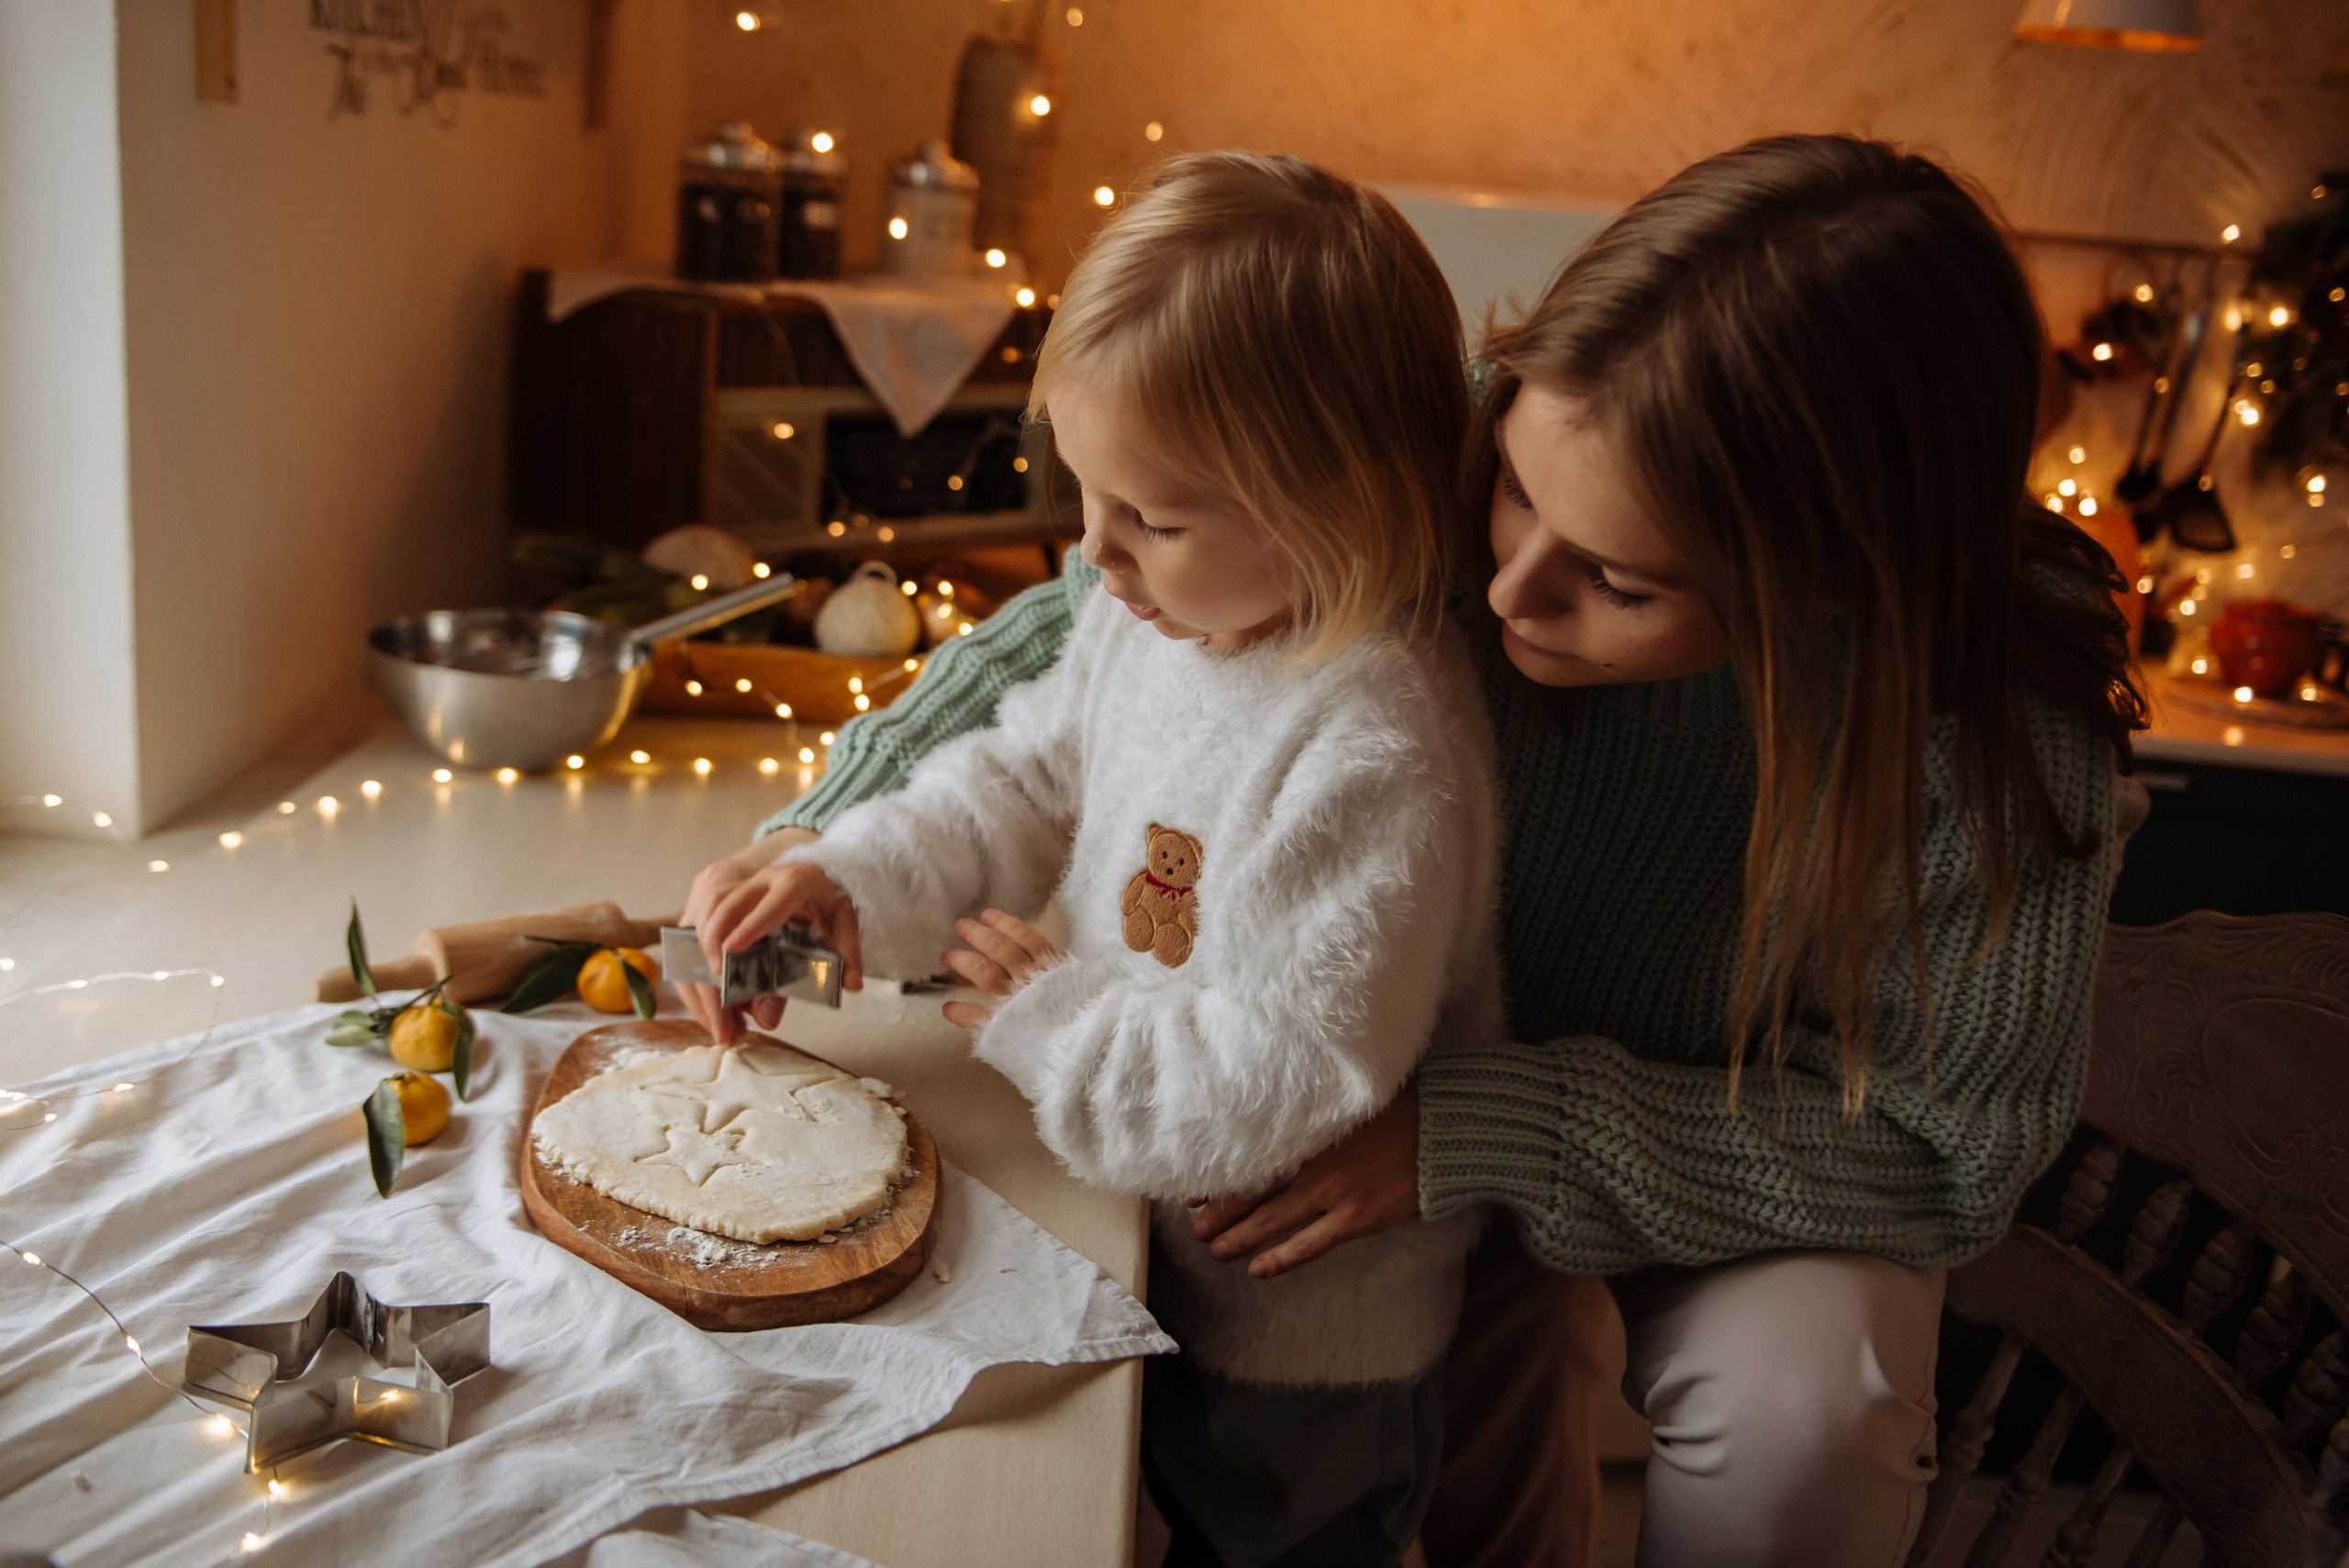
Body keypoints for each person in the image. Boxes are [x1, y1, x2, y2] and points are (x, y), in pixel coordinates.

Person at [685, 134, 2146, 1567]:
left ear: (1832, 586)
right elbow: (1096, 634)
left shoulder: (2001, 727)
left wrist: (1488, 1129)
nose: (1507, 591)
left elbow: (1946, 1148)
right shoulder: (1439, 437)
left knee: (1802, 1413)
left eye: (1615, 577)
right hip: (1385, 1072)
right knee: (1467, 1438)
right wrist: (829, 836)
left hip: (1696, 1128)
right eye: (1511, 487)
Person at [688, 151, 1504, 1568]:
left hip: (1297, 1349)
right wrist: (851, 883)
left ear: (1344, 506)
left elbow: (1287, 1077)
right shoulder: (1160, 621)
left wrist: (1051, 1020)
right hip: (1120, 1216)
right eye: (1088, 496)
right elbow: (1015, 777)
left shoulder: (1375, 747)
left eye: (1153, 518)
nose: (1094, 556)